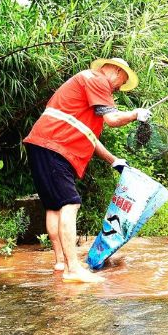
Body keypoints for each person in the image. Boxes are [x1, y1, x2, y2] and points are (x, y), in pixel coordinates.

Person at [23, 57, 152, 282]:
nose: (120, 87)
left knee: (54, 207)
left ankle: (61, 263)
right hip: (56, 147)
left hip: (42, 144)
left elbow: (89, 136)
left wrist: (114, 160)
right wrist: (134, 114)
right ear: (114, 70)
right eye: (123, 80)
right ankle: (73, 270)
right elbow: (112, 119)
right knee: (69, 203)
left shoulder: (85, 88)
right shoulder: (96, 80)